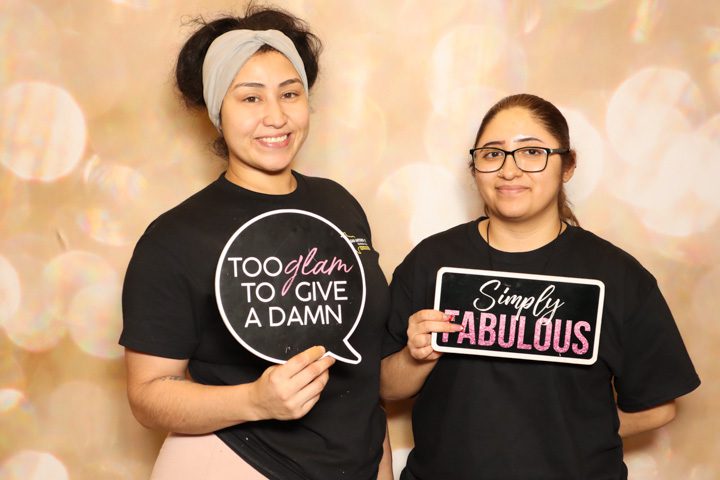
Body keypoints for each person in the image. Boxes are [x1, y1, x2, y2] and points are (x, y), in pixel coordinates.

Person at [120, 5, 392, 479]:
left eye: (290, 93)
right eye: (250, 98)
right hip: (238, 462)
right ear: (216, 111)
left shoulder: (339, 204)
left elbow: (365, 361)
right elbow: (147, 394)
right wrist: (254, 400)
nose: (276, 116)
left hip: (361, 461)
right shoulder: (175, 238)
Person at [380, 93, 700, 479]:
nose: (509, 170)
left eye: (532, 152)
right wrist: (415, 357)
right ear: (475, 167)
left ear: (568, 166)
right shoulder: (431, 262)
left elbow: (659, 406)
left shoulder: (618, 276)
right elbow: (383, 386)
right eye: (492, 154)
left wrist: (567, 437)